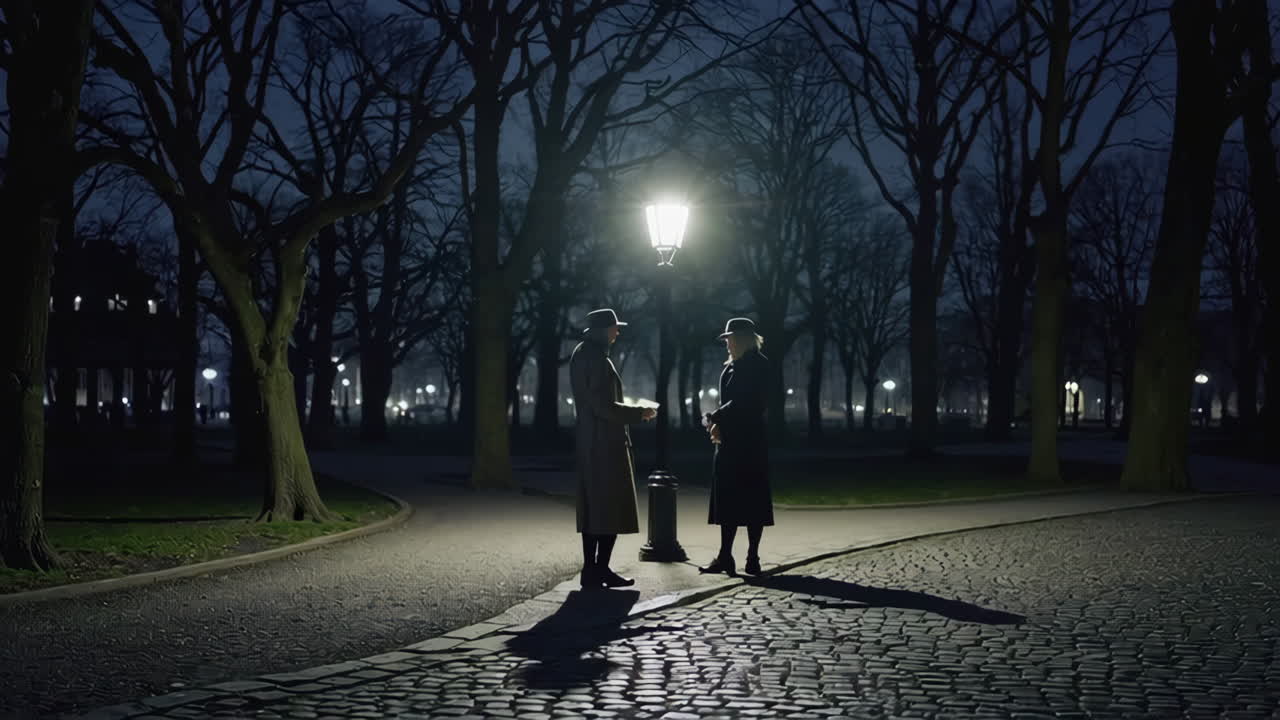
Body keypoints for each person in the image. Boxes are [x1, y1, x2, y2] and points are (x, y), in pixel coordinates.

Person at [569, 308, 657, 589]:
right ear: (604, 330)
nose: (618, 333)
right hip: (603, 443)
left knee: (595, 510)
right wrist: (638, 412)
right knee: (608, 508)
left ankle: (592, 570)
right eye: (614, 328)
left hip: (592, 440)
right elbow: (602, 406)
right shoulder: (595, 358)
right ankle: (599, 570)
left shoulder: (584, 354)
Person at [700, 317, 773, 576]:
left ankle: (752, 556)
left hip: (750, 441)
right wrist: (717, 424)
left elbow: (748, 401)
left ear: (742, 339)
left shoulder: (757, 366)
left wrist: (716, 417)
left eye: (730, 339)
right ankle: (725, 555)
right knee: (728, 500)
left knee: (752, 500)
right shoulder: (732, 367)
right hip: (731, 442)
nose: (727, 343)